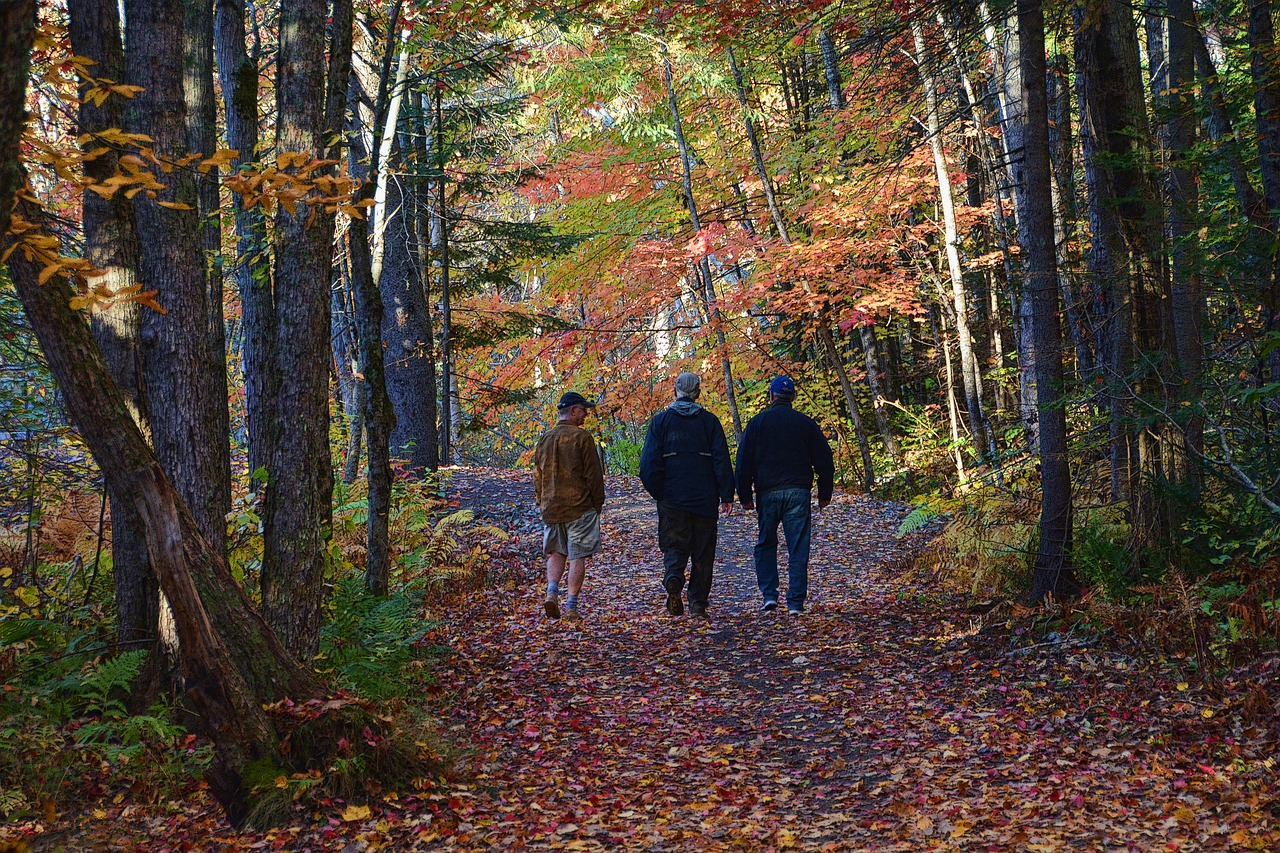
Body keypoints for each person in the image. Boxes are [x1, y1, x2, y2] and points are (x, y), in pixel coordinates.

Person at [736, 375, 835, 616]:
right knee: (798, 547)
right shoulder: (805, 423)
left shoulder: (757, 423)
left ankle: (769, 596)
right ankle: (795, 602)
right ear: (793, 397)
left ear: (771, 396)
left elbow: (743, 461)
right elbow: (825, 460)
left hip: (767, 492)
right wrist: (824, 493)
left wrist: (744, 495)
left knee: (766, 543)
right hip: (798, 492)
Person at [639, 372, 735, 619]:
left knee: (674, 546)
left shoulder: (661, 422)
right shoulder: (710, 422)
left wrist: (659, 493)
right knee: (703, 553)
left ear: (675, 392)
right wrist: (726, 494)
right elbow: (721, 460)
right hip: (705, 499)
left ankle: (673, 577)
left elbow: (648, 465)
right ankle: (698, 604)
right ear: (698, 394)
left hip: (672, 499)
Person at [534, 391, 605, 621]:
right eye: (583, 410)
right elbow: (594, 475)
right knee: (577, 556)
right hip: (579, 507)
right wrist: (597, 504)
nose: (585, 415)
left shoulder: (545, 439)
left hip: (551, 508)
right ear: (573, 411)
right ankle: (571, 606)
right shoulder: (582, 438)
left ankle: (551, 593)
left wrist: (542, 501)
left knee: (555, 552)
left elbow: (538, 476)